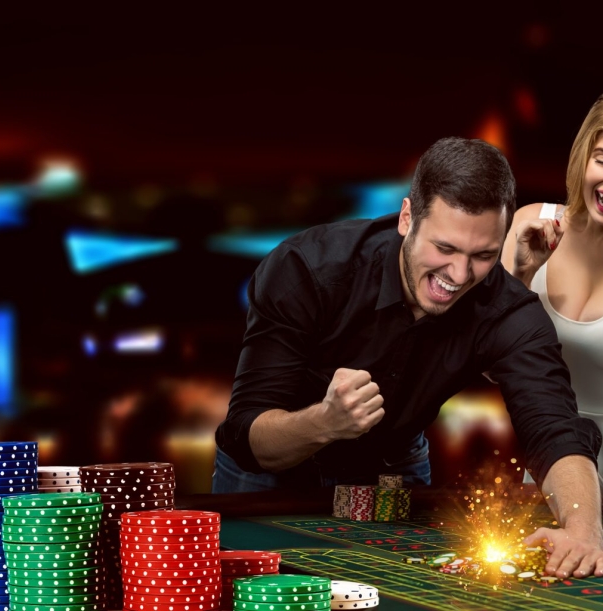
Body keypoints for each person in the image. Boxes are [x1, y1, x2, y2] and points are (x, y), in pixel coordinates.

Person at [212, 136, 603, 579]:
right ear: (406, 219)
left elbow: (555, 429)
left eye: (483, 256)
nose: (459, 275)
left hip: (391, 467)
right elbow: (248, 435)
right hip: (271, 473)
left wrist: (584, 528)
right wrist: (323, 421)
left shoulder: (508, 309)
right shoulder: (307, 269)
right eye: (445, 248)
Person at [501, 94, 603, 477]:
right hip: (546, 465)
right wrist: (521, 276)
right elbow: (490, 367)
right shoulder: (530, 222)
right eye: (602, 161)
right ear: (583, 158)